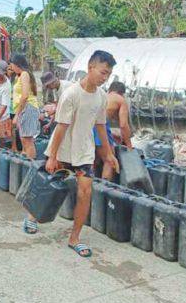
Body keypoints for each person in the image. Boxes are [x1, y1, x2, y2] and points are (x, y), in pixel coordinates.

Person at [26, 50, 120, 259]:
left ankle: (74, 238)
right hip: (63, 149)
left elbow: (101, 126)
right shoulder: (71, 94)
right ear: (90, 68)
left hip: (84, 152)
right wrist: (52, 156)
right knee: (46, 187)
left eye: (108, 74)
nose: (105, 78)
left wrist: (109, 154)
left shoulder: (101, 97)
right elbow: (60, 128)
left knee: (85, 192)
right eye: (103, 72)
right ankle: (32, 215)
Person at [95, 81, 132, 179]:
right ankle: (104, 191)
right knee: (109, 161)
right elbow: (123, 125)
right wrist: (129, 145)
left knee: (92, 160)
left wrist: (111, 134)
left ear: (110, 89)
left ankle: (91, 189)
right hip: (100, 123)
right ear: (121, 93)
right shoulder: (120, 100)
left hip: (87, 124)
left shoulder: (101, 96)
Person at [8, 54, 41, 158]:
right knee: (24, 139)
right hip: (25, 109)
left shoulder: (24, 74)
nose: (11, 68)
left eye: (11, 65)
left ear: (17, 64)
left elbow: (25, 95)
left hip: (28, 108)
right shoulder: (20, 76)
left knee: (28, 141)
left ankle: (31, 167)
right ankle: (27, 163)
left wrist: (17, 115)